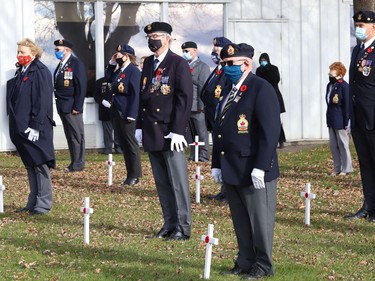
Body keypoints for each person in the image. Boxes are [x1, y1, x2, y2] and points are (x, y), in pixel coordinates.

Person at [211, 43, 280, 279]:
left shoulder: (261, 88)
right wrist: (216, 163)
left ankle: (263, 265)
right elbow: (219, 128)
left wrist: (261, 166)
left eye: (230, 64)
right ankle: (245, 260)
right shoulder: (230, 90)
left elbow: (270, 132)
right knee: (241, 220)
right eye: (223, 64)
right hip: (232, 166)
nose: (226, 68)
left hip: (253, 168)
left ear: (246, 64)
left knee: (259, 222)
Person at [136, 22, 193, 240]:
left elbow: (184, 99)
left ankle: (183, 227)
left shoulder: (177, 63)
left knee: (177, 182)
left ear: (167, 38)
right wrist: (140, 126)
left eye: (156, 36)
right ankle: (169, 223)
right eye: (149, 36)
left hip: (171, 132)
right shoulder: (149, 62)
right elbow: (144, 97)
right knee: (162, 182)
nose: (152, 40)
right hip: (152, 130)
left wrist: (178, 130)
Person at [6, 38, 55, 215]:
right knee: (30, 164)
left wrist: (35, 126)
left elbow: (42, 101)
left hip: (36, 128)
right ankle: (33, 201)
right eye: (18, 52)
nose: (19, 55)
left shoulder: (40, 71)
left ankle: (43, 203)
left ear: (33, 54)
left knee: (40, 164)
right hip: (22, 128)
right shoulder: (23, 71)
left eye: (22, 52)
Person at [345, 10, 375, 223]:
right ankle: (369, 205)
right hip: (358, 117)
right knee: (365, 163)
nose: (358, 28)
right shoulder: (357, 50)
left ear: (373, 27)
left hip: (373, 116)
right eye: (356, 24)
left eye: (362, 25)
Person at [105, 44, 142, 186]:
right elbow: (108, 79)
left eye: (119, 55)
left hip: (127, 112)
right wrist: (111, 64)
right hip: (117, 111)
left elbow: (135, 95)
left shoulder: (133, 71)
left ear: (127, 56)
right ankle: (129, 173)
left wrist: (132, 114)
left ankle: (135, 174)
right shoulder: (119, 70)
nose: (117, 57)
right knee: (123, 144)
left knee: (130, 144)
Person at [201, 36, 232, 202]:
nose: (214, 52)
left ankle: (228, 191)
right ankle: (223, 190)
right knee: (219, 154)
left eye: (217, 49)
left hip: (222, 119)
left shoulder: (229, 70)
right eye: (214, 49)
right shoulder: (218, 69)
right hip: (214, 119)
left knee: (225, 154)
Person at [53, 39, 87, 172]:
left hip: (72, 106)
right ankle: (74, 162)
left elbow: (81, 86)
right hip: (63, 105)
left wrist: (77, 107)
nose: (56, 52)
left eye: (58, 50)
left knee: (77, 135)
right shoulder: (61, 65)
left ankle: (78, 163)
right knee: (70, 135)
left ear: (67, 50)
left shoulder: (75, 64)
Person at [181, 41, 210, 162]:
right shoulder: (184, 65)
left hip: (197, 106)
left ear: (195, 51)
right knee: (192, 133)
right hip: (187, 106)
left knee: (201, 131)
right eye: (184, 51)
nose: (185, 53)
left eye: (187, 51)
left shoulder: (202, 66)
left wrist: (201, 106)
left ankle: (203, 155)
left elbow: (202, 87)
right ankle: (194, 154)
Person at [325, 62, 353, 176]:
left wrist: (347, 122)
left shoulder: (344, 86)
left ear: (340, 75)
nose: (330, 77)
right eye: (329, 75)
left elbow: (347, 105)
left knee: (343, 144)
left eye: (332, 75)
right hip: (331, 119)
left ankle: (346, 168)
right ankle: (337, 168)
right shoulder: (330, 85)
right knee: (333, 145)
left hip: (341, 120)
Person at [256, 53, 286, 148]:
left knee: (276, 120)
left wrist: (268, 70)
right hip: (264, 96)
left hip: (274, 95)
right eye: (261, 60)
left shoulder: (274, 68)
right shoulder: (259, 70)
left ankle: (281, 140)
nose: (263, 62)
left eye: (264, 60)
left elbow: (275, 80)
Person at [93, 76, 122, 154]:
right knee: (107, 131)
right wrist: (103, 101)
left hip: (117, 108)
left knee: (118, 130)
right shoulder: (100, 82)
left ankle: (118, 147)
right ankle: (108, 148)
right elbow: (96, 96)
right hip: (105, 110)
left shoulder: (119, 80)